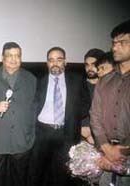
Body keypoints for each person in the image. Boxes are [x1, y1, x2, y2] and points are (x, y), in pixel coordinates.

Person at [28, 47, 89, 186]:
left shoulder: (77, 80)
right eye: (51, 60)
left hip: (66, 132)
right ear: (47, 63)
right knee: (37, 172)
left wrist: (73, 118)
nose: (55, 63)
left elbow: (86, 103)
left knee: (62, 174)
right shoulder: (38, 81)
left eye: (59, 60)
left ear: (65, 62)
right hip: (42, 133)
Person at [0, 42, 37, 186]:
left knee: (19, 180)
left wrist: (30, 135)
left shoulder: (31, 79)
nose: (14, 59)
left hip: (22, 141)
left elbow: (35, 108)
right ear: (2, 58)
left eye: (17, 55)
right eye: (10, 55)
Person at [90, 19, 130, 186]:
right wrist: (106, 148)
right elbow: (95, 116)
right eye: (114, 43)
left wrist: (123, 151)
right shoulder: (104, 81)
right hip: (104, 154)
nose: (115, 47)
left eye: (123, 42)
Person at [81, 48, 105, 145]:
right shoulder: (79, 85)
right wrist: (84, 126)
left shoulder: (109, 86)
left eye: (93, 64)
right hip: (83, 134)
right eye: (87, 65)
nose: (89, 68)